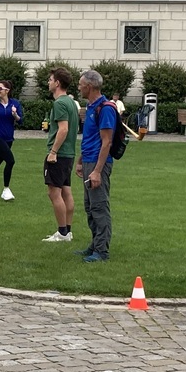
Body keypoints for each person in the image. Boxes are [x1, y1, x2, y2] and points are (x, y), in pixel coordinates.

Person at [75, 70, 115, 263]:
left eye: (80, 84)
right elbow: (90, 138)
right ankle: (95, 244)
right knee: (89, 207)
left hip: (99, 164)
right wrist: (81, 161)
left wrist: (97, 171)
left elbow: (106, 142)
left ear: (89, 87)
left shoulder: (105, 108)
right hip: (89, 161)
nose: (78, 87)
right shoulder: (91, 107)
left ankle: (102, 251)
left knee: (99, 206)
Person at [42, 68, 78, 242]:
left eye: (50, 80)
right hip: (69, 154)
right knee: (66, 191)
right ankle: (68, 231)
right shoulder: (72, 102)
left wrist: (53, 152)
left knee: (54, 193)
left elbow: (63, 129)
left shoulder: (60, 103)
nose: (48, 82)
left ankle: (62, 232)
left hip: (59, 154)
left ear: (57, 83)